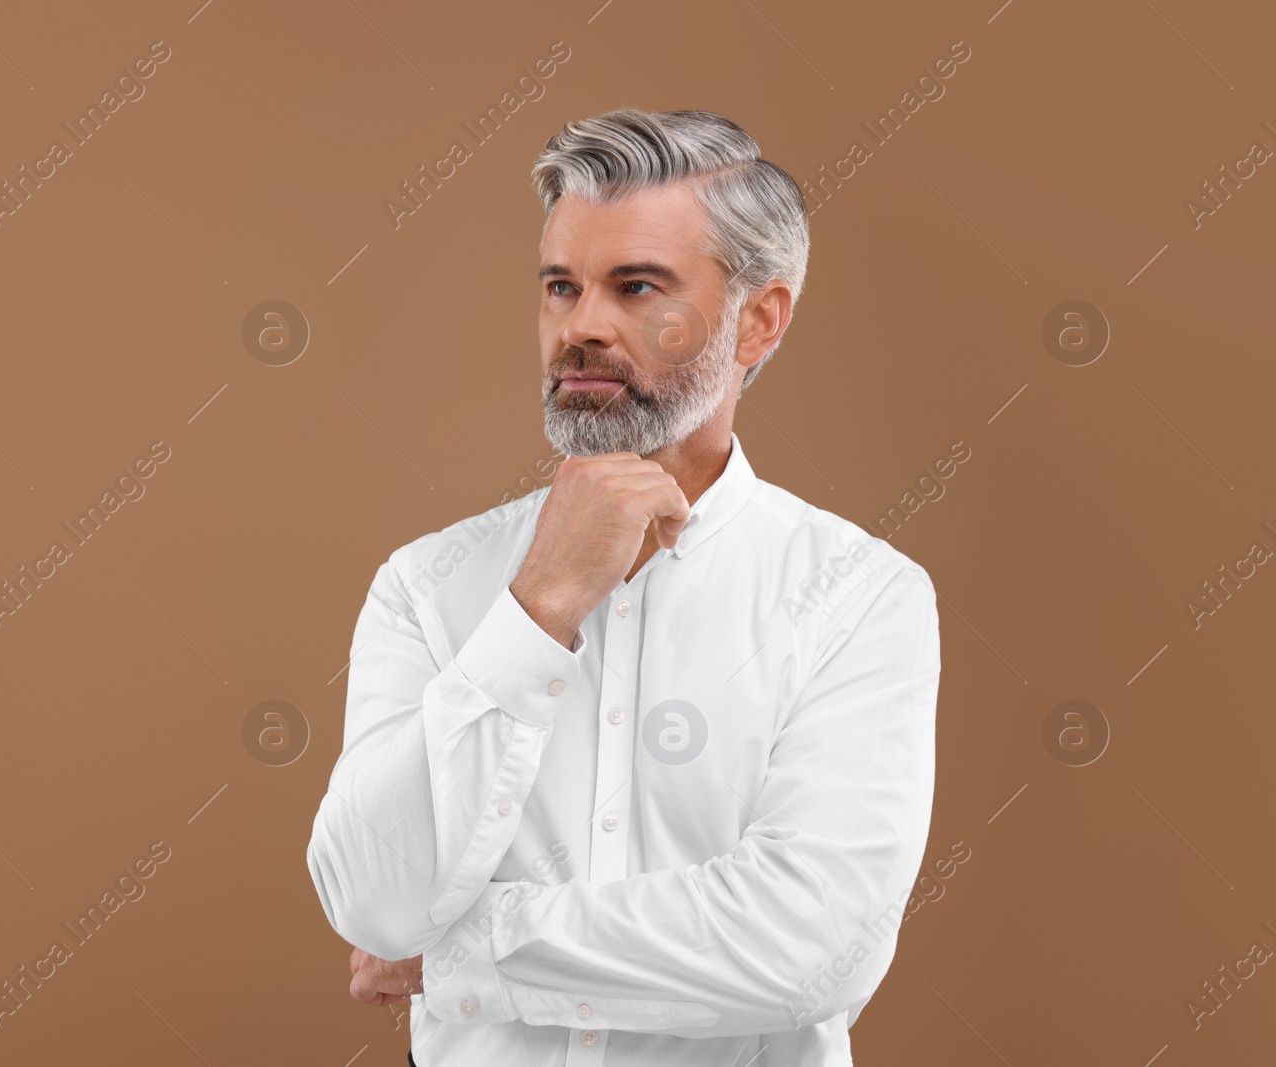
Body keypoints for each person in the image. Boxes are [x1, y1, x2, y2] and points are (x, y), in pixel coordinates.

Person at [306, 107, 941, 1067]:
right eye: (561, 287)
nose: (582, 326)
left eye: (636, 286)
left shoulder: (859, 594)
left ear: (757, 321)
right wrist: (540, 606)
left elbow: (812, 947)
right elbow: (372, 897)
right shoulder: (426, 585)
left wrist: (462, 952)